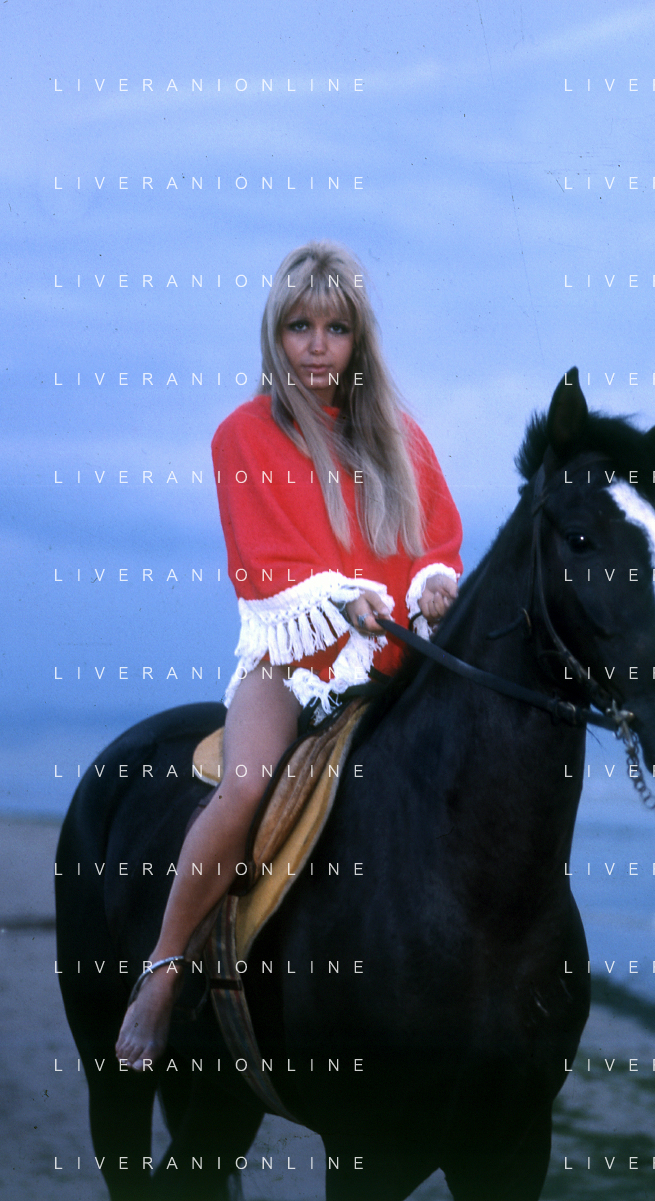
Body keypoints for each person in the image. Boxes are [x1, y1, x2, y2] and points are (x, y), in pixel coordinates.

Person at [115, 241, 463, 1069]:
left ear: (357, 341)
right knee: (245, 784)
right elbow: (263, 559)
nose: (316, 346)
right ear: (275, 335)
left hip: (389, 659)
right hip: (290, 660)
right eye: (299, 326)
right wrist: (340, 598)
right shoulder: (243, 435)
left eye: (335, 329)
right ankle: (162, 969)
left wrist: (433, 586)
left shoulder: (402, 439)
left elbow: (434, 541)